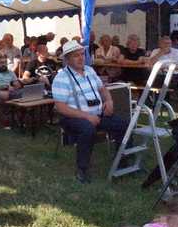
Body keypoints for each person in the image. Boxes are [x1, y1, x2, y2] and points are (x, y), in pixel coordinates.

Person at [51, 40, 129, 184]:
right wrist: (87, 116)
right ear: (67, 59)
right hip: (73, 117)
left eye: (82, 54)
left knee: (124, 124)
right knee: (87, 129)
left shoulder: (90, 70)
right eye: (76, 56)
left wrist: (109, 101)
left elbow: (103, 88)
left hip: (97, 113)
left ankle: (121, 162)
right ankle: (82, 169)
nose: (81, 58)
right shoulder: (61, 78)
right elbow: (61, 108)